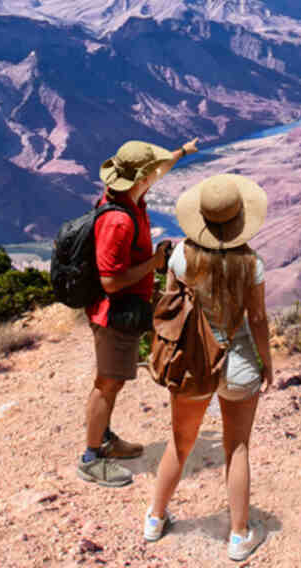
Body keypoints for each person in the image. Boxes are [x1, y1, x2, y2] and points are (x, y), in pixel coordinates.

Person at [144, 173, 273, 562]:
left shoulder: (181, 256)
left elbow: (171, 305)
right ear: (238, 221)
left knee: (180, 443)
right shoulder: (251, 264)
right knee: (237, 447)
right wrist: (268, 365)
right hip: (239, 362)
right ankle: (238, 535)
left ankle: (155, 518)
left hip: (192, 362)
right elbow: (259, 319)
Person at [77, 138, 197, 488]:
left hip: (122, 310)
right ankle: (90, 457)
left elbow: (159, 170)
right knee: (107, 383)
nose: (155, 175)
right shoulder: (119, 222)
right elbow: (111, 281)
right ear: (139, 177)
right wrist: (155, 263)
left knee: (113, 382)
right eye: (150, 171)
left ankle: (105, 438)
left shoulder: (130, 197)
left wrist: (182, 153)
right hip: (111, 314)